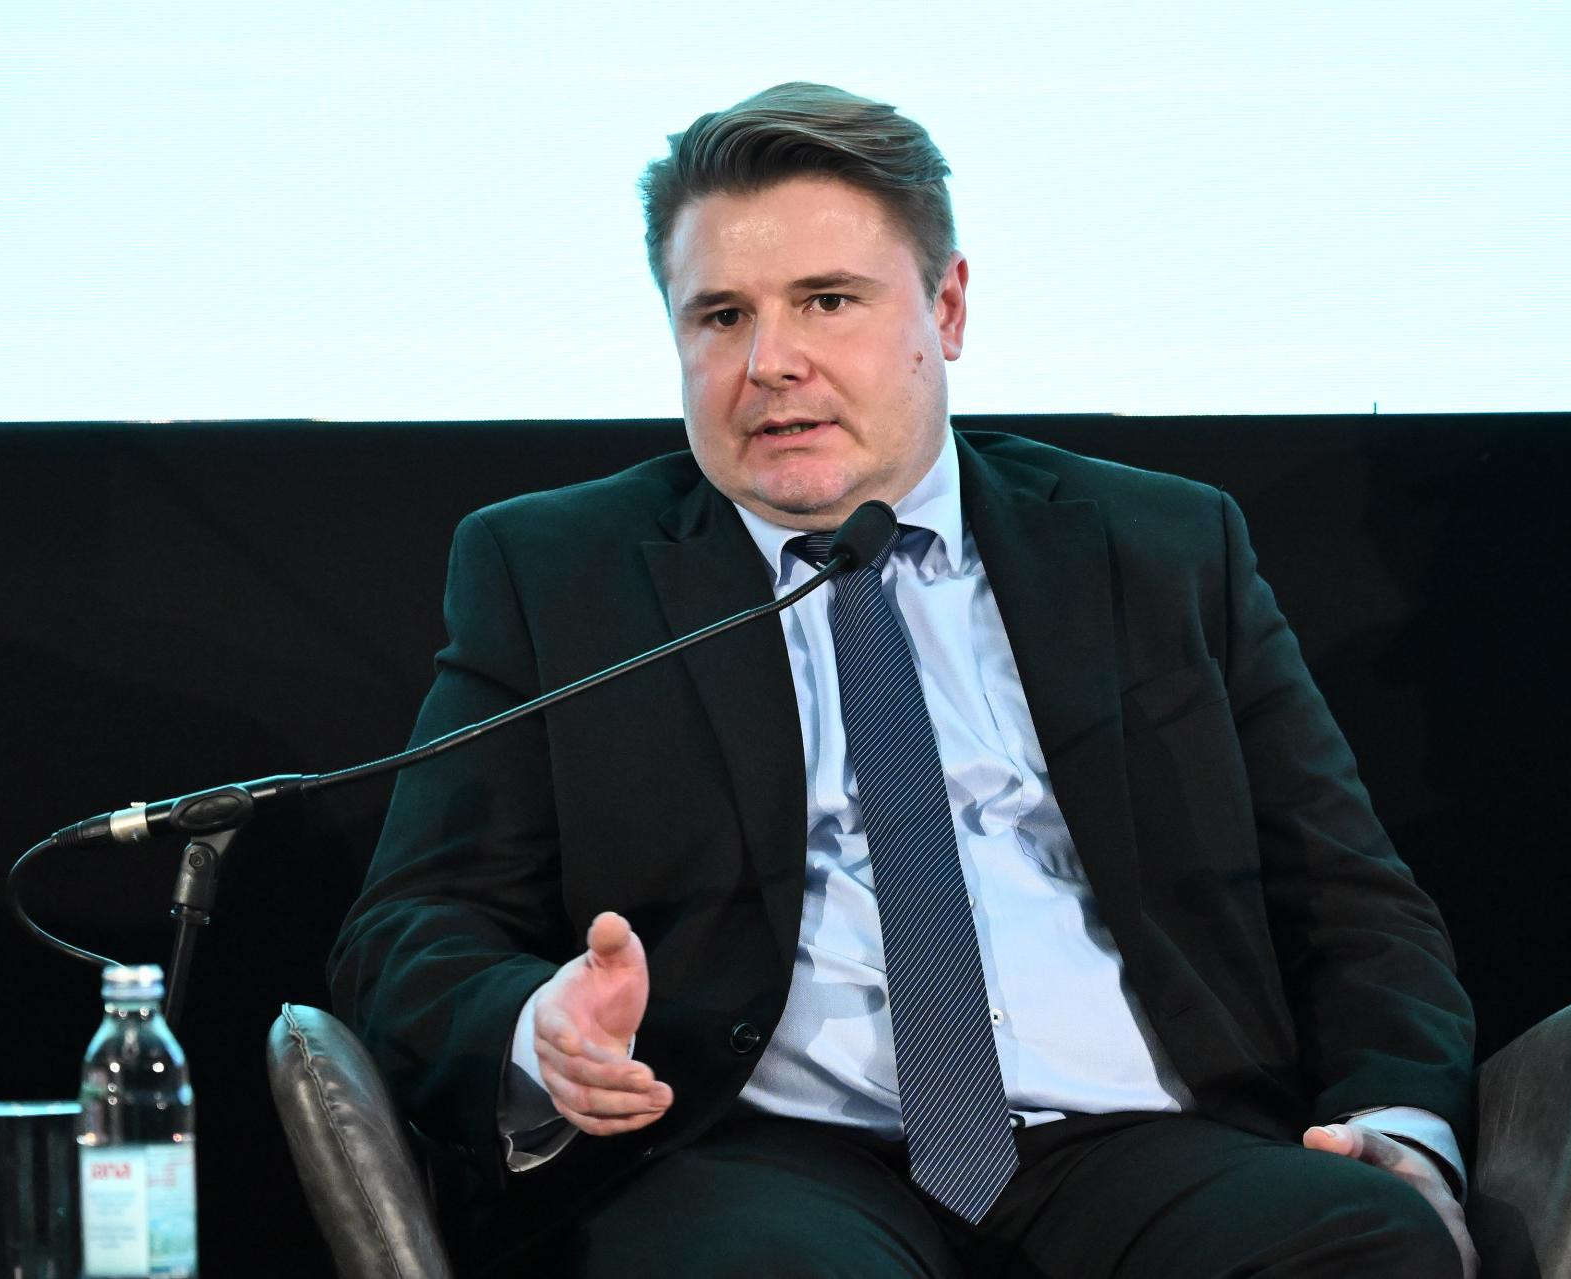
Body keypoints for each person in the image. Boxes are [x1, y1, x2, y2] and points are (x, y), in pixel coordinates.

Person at [329, 82, 1477, 1277]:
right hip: (752, 1159)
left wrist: (1400, 1125)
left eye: (827, 301)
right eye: (721, 315)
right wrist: (539, 1031)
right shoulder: (558, 573)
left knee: (1366, 1239)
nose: (770, 363)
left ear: (948, 307)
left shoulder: (1159, 549)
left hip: (1139, 1143)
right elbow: (414, 925)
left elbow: (1349, 897)